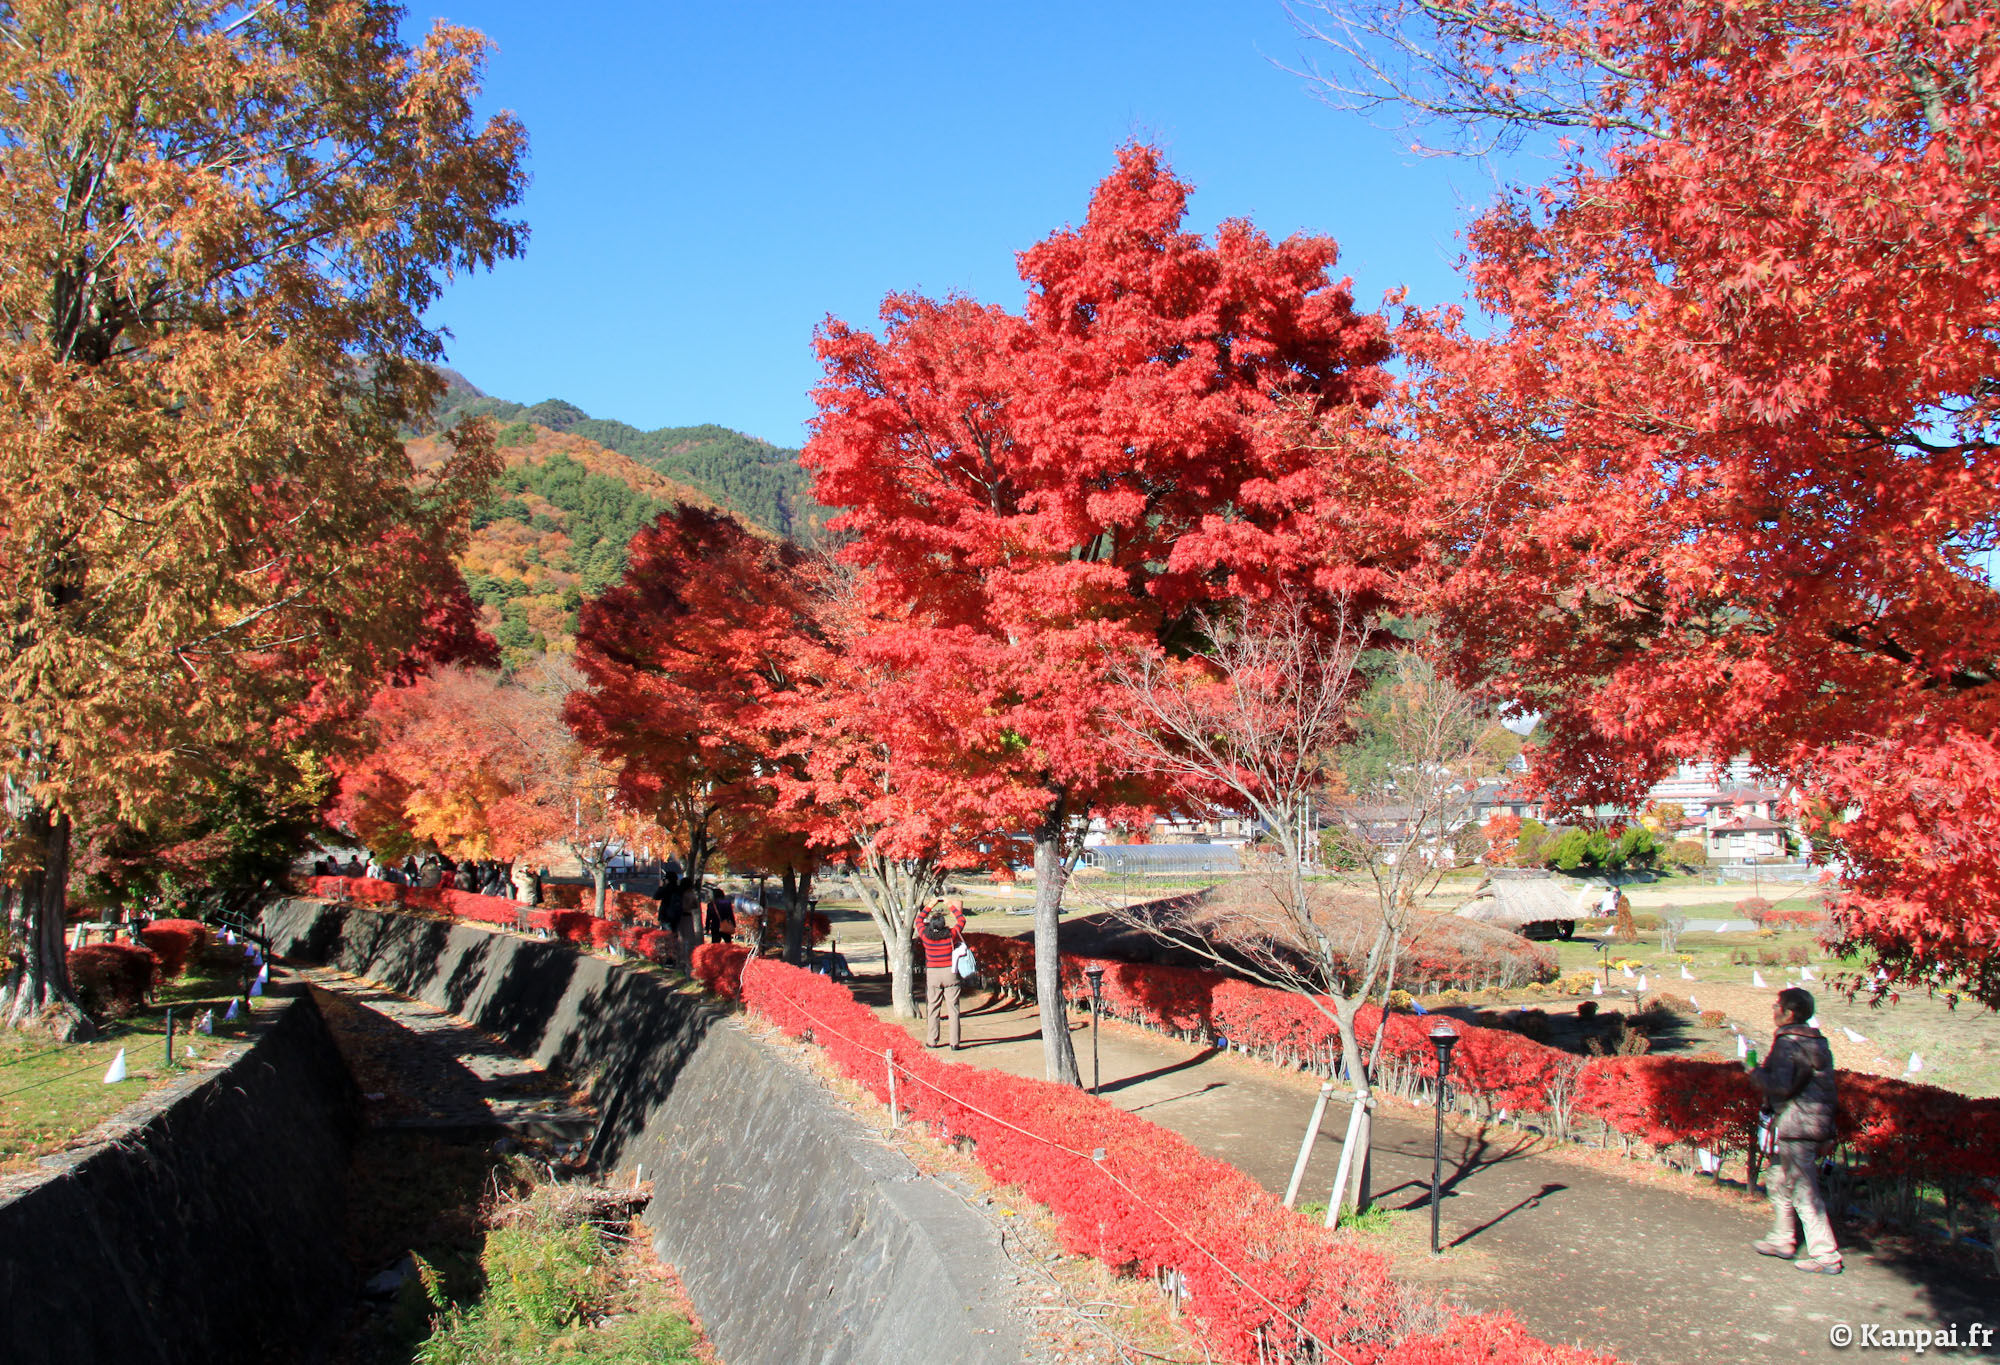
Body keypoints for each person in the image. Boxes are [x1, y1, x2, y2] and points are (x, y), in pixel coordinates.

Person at [1749, 986, 1842, 1274]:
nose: (1773, 1010)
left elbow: (1780, 1086)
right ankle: (1782, 1238)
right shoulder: (1818, 1043)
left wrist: (1754, 1073)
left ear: (1789, 1013)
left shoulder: (1787, 1044)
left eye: (1777, 1006)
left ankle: (1826, 1255)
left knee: (1803, 1189)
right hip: (1813, 1123)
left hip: (1796, 1124)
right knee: (1778, 1177)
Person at [918, 898, 967, 1050]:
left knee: (933, 1008)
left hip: (933, 974)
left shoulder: (925, 936)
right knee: (953, 1009)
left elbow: (918, 920)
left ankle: (932, 1040)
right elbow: (961, 919)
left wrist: (931, 904)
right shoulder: (951, 935)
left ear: (931, 925)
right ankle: (954, 1042)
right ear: (943, 925)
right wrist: (949, 904)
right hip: (950, 973)